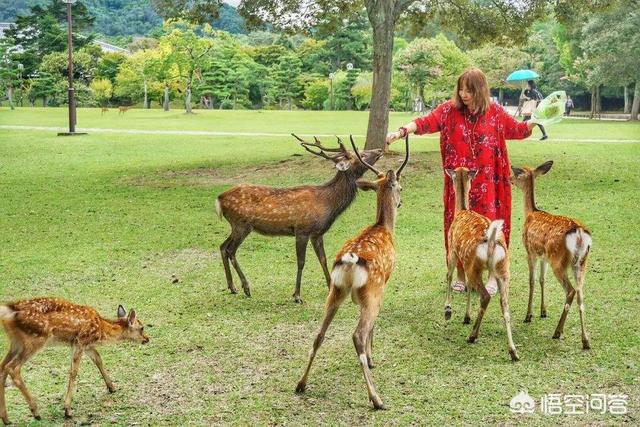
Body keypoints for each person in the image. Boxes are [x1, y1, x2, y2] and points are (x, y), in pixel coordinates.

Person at [386, 68, 537, 295]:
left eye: (469, 90)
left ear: (480, 91)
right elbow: (425, 122)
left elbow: (518, 130)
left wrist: (536, 121)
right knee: (457, 228)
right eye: (461, 89)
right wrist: (401, 132)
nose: (464, 94)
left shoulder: (495, 112)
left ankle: (494, 276)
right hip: (459, 185)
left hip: (489, 184)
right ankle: (460, 274)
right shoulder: (448, 111)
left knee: (490, 229)